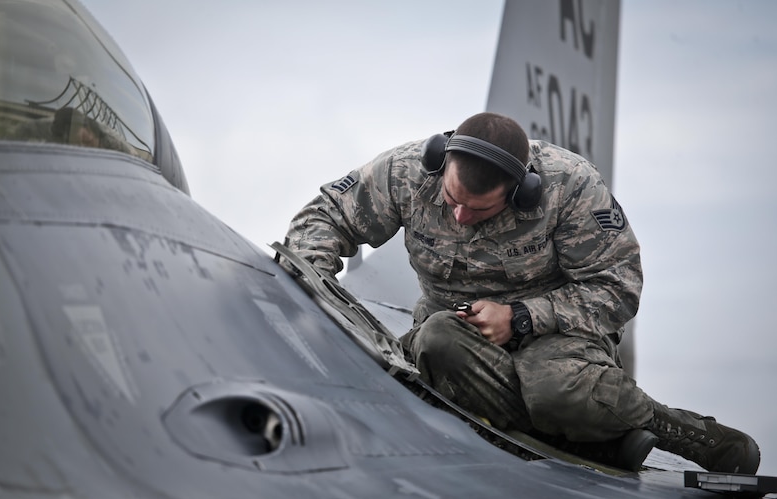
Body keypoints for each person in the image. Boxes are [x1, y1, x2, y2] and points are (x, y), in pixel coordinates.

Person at [281, 112, 760, 474]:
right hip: (457, 334)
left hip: (559, 337)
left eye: (479, 210)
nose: (460, 218)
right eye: (452, 202)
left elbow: (618, 288)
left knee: (560, 393)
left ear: (521, 191)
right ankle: (587, 442)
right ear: (438, 162)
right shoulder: (408, 171)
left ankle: (673, 428)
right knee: (436, 343)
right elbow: (325, 216)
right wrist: (319, 290)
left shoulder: (570, 189)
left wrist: (522, 316)